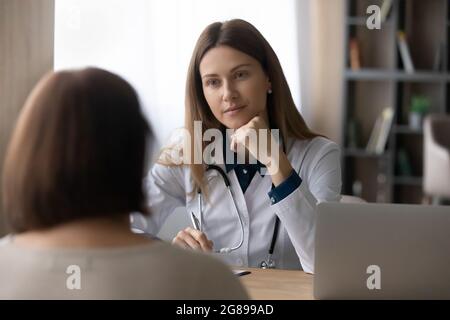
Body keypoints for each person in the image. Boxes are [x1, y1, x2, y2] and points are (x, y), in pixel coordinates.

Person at [0, 67, 248, 299]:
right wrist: (169, 259)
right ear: (137, 152)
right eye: (213, 81)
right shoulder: (207, 280)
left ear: (25, 157)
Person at [134, 19, 342, 274]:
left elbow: (324, 264)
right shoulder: (185, 151)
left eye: (240, 75)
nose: (228, 93)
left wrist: (276, 162)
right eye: (213, 82)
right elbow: (118, 229)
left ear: (268, 79)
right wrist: (172, 255)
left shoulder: (319, 155)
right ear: (202, 92)